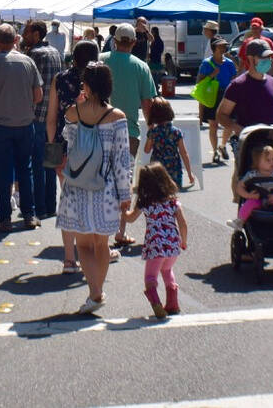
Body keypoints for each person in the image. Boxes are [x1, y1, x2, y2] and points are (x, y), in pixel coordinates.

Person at [56, 62, 132, 314]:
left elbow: (68, 141)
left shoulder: (73, 112)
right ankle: (96, 291)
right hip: (106, 188)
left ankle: (96, 293)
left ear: (86, 86)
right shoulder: (117, 117)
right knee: (102, 245)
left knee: (84, 245)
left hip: (77, 185)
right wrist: (125, 194)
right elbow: (122, 159)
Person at [0, 23, 43, 232]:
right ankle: (29, 215)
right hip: (25, 123)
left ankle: (4, 218)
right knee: (25, 169)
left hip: (1, 123)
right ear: (15, 40)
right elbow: (38, 96)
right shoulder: (28, 61)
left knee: (3, 172)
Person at [47, 40, 109, 274]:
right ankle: (93, 250)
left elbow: (52, 117)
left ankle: (69, 258)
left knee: (68, 200)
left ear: (73, 57)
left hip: (65, 146)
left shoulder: (60, 79)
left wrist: (52, 145)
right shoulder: (100, 79)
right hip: (93, 148)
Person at [217, 39, 273, 201]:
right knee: (243, 173)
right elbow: (221, 115)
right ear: (251, 59)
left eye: (270, 57)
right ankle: (240, 205)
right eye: (264, 58)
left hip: (272, 140)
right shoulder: (238, 85)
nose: (269, 61)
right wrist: (236, 127)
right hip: (247, 141)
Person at [100, 23, 157, 247]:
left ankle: (98, 228)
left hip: (98, 127)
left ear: (115, 40)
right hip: (128, 131)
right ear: (134, 42)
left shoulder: (101, 59)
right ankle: (120, 231)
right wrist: (151, 127)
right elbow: (147, 103)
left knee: (100, 177)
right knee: (123, 182)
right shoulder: (141, 67)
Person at [123, 162, 188, 318]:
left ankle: (156, 303)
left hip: (155, 246)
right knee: (167, 271)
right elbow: (183, 224)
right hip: (172, 245)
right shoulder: (173, 202)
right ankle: (172, 303)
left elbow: (130, 219)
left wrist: (123, 210)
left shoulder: (146, 203)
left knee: (150, 277)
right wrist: (183, 241)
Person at [24, 20, 63, 220]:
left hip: (38, 115)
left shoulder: (34, 55)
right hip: (55, 117)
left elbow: (30, 86)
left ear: (37, 34)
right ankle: (50, 204)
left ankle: (39, 207)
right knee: (51, 163)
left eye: (27, 32)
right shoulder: (56, 52)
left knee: (37, 164)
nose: (24, 35)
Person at [198, 37, 237, 163]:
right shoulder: (206, 63)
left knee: (229, 124)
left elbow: (234, 80)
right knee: (213, 125)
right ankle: (215, 151)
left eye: (224, 46)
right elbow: (199, 82)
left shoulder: (229, 63)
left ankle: (223, 145)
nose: (223, 49)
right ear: (214, 49)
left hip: (227, 95)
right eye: (220, 46)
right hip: (212, 95)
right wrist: (211, 75)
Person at [144, 97, 194, 188]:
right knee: (173, 195)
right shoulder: (176, 132)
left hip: (157, 169)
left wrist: (150, 132)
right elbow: (184, 153)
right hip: (174, 168)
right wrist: (189, 174)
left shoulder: (154, 132)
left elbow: (147, 150)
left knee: (158, 195)